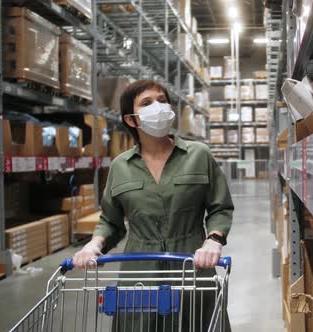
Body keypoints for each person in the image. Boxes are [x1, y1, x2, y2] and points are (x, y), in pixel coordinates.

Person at [72, 80, 234, 331]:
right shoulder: (120, 167)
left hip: (192, 265)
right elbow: (110, 221)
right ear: (131, 120)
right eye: (146, 103)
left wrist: (213, 240)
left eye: (162, 100)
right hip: (139, 271)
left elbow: (220, 207)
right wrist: (95, 244)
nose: (157, 107)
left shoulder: (198, 155)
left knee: (197, 323)